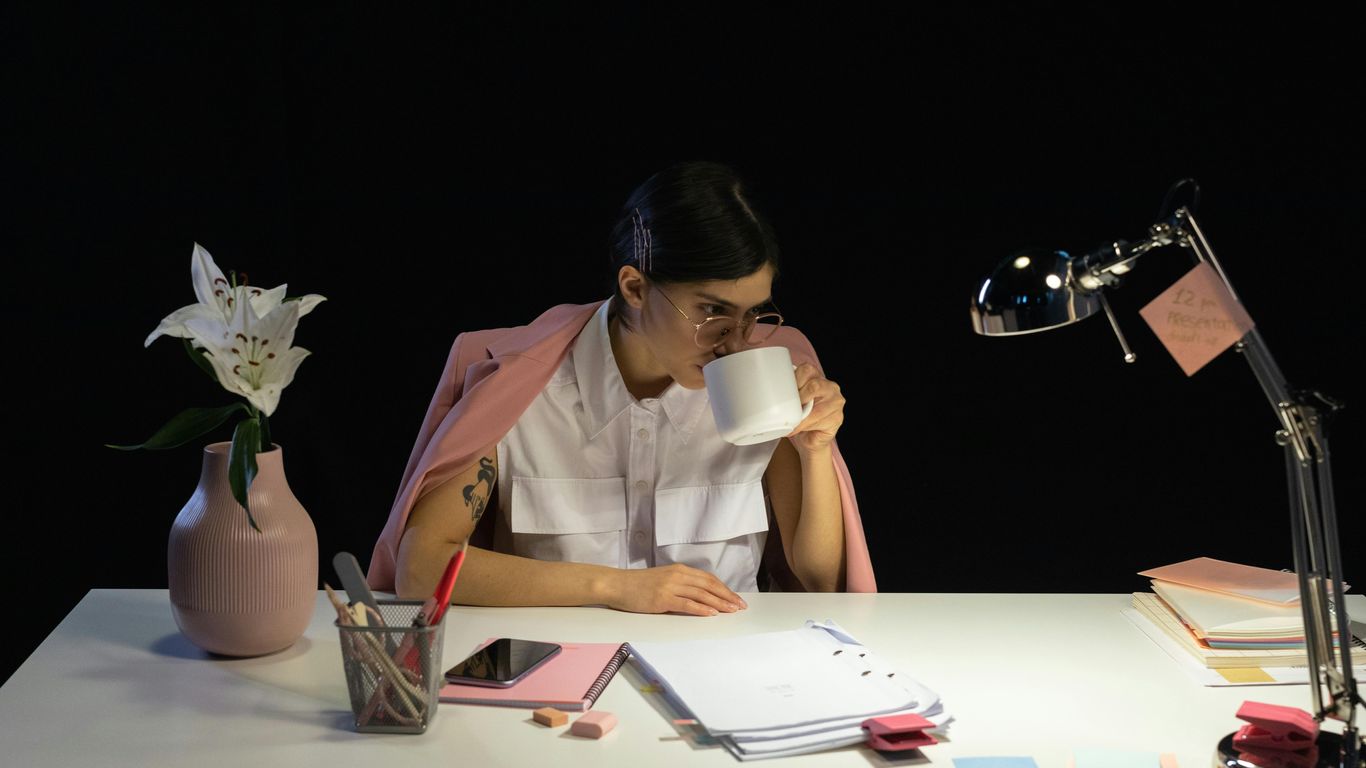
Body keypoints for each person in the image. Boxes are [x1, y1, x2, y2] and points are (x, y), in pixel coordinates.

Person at [367, 161, 875, 617]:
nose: (734, 341)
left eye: (751, 314)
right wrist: (616, 587)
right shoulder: (513, 381)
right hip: (553, 671)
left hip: (729, 667)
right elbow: (423, 566)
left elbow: (821, 581)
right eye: (713, 311)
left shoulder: (774, 373)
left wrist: (815, 449)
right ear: (635, 288)